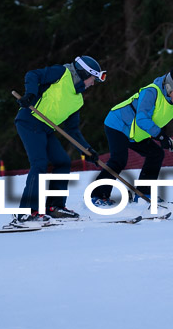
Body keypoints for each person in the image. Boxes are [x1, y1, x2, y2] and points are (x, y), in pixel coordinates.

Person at [90, 68, 173, 206]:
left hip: (137, 133)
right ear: (169, 88)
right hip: (118, 124)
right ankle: (98, 196)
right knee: (119, 159)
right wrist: (161, 136)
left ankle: (143, 193)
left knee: (155, 154)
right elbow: (142, 118)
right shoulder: (152, 92)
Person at [12, 55, 105, 225]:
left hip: (45, 129)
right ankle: (25, 212)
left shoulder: (78, 100)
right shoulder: (62, 73)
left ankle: (54, 207)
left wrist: (87, 150)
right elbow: (32, 75)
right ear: (84, 74)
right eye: (93, 79)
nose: (93, 84)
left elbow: (73, 130)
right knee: (39, 163)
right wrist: (30, 95)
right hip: (30, 120)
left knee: (62, 162)